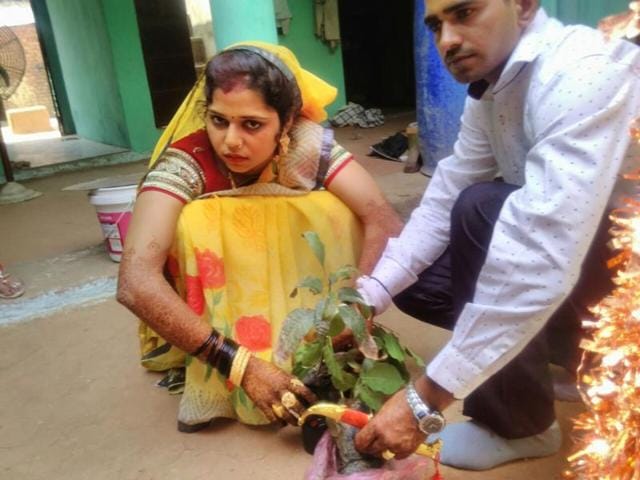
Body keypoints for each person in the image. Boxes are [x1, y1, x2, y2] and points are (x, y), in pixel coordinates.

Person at [353, 0, 640, 471]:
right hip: (578, 255)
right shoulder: (493, 91)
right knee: (422, 275)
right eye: (435, 25)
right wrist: (367, 300)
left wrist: (423, 400)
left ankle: (520, 425)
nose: (446, 40)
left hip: (623, 275)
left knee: (484, 211)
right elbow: (444, 195)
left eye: (464, 13)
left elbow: (539, 252)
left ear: (524, 7)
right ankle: (574, 359)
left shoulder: (582, 71)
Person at [117, 42, 402, 432]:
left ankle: (315, 348)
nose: (231, 141)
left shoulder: (305, 147)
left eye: (252, 124)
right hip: (224, 331)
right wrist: (242, 366)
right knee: (197, 221)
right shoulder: (187, 162)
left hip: (309, 312)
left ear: (286, 124)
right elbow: (136, 281)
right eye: (219, 121)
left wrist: (357, 312)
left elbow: (382, 220)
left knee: (337, 210)